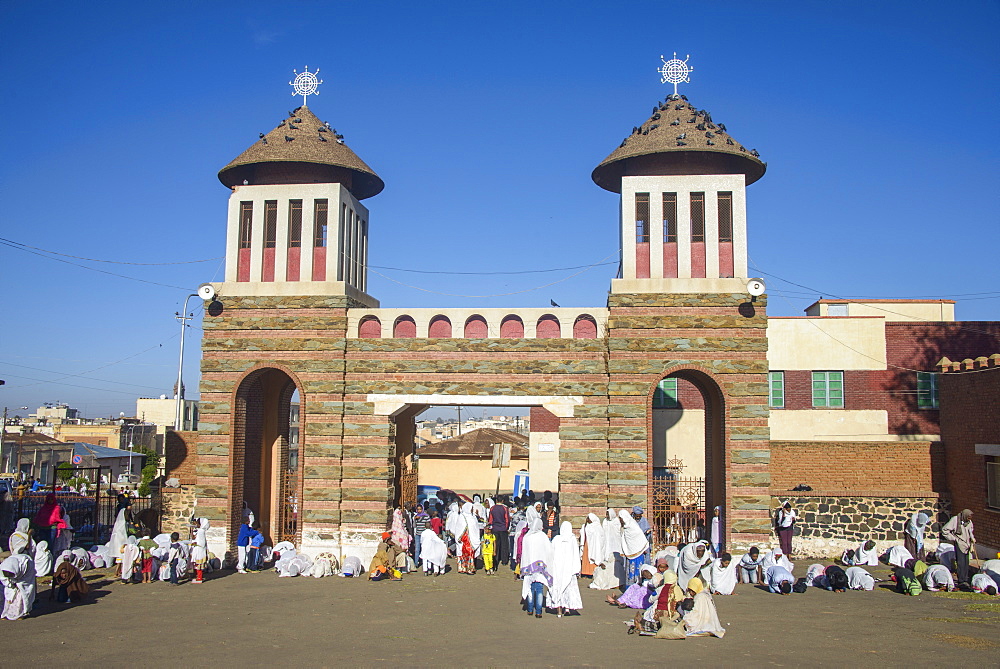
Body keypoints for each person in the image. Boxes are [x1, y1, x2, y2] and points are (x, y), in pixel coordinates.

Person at [547, 521, 583, 617]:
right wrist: (577, 568)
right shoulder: (572, 540)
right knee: (568, 588)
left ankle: (559, 610)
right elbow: (576, 555)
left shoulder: (556, 539)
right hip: (569, 568)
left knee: (558, 587)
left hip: (558, 568)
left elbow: (551, 554)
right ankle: (567, 608)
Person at [520, 517, 553, 618]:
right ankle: (538, 611)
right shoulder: (542, 537)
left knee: (530, 587)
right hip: (540, 567)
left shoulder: (527, 537)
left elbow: (524, 553)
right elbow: (549, 551)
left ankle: (530, 609)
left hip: (528, 566)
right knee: (539, 588)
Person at [941, 509, 975, 587]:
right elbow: (945, 530)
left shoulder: (969, 522)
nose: (969, 519)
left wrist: (972, 539)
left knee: (966, 562)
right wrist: (954, 539)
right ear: (965, 515)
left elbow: (970, 531)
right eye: (968, 517)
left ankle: (965, 578)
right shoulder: (955, 520)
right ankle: (961, 580)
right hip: (959, 543)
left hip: (967, 544)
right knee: (961, 562)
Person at [591, 508, 624, 590]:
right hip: (607, 542)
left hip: (616, 543)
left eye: (607, 514)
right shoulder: (605, 521)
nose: (606, 516)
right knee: (607, 559)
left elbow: (618, 532)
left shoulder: (616, 521)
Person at [0, 553, 36, 620]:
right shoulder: (4, 566)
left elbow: (27, 579)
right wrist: (10, 583)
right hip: (12, 581)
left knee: (21, 596)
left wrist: (18, 584)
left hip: (23, 580)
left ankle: (22, 613)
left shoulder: (27, 563)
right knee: (9, 594)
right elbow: (3, 578)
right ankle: (7, 613)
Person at [619, 509, 650, 585]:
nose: (620, 520)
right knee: (630, 572)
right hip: (630, 554)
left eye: (620, 518)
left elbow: (640, 536)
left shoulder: (633, 526)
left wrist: (642, 547)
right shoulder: (625, 527)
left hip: (638, 554)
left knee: (637, 572)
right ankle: (629, 588)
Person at [488, 496, 511, 569]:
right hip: (503, 528)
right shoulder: (505, 508)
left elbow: (490, 520)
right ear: (503, 501)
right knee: (504, 545)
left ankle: (496, 560)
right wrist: (507, 528)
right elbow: (507, 519)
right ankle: (504, 560)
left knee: (496, 545)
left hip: (495, 528)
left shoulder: (492, 508)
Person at [579, 513, 604, 579]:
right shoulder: (585, 526)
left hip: (594, 545)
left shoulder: (597, 526)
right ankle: (585, 573)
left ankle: (592, 573)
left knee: (593, 557)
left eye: (588, 518)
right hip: (587, 544)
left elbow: (601, 536)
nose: (587, 520)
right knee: (586, 558)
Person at [191, 517, 210, 583]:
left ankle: (199, 578)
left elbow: (201, 542)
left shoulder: (201, 531)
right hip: (198, 549)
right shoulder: (199, 531)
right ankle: (198, 576)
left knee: (199, 564)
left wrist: (195, 543)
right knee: (197, 564)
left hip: (199, 550)